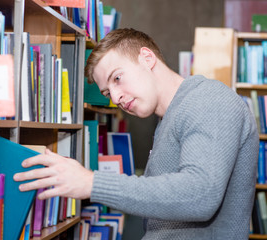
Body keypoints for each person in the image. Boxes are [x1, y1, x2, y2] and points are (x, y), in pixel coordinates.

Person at [13, 28, 259, 239]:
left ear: (147, 57)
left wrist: (92, 183)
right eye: (108, 93)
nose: (116, 97)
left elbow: (200, 194)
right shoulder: (170, 117)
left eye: (117, 78)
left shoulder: (207, 99)